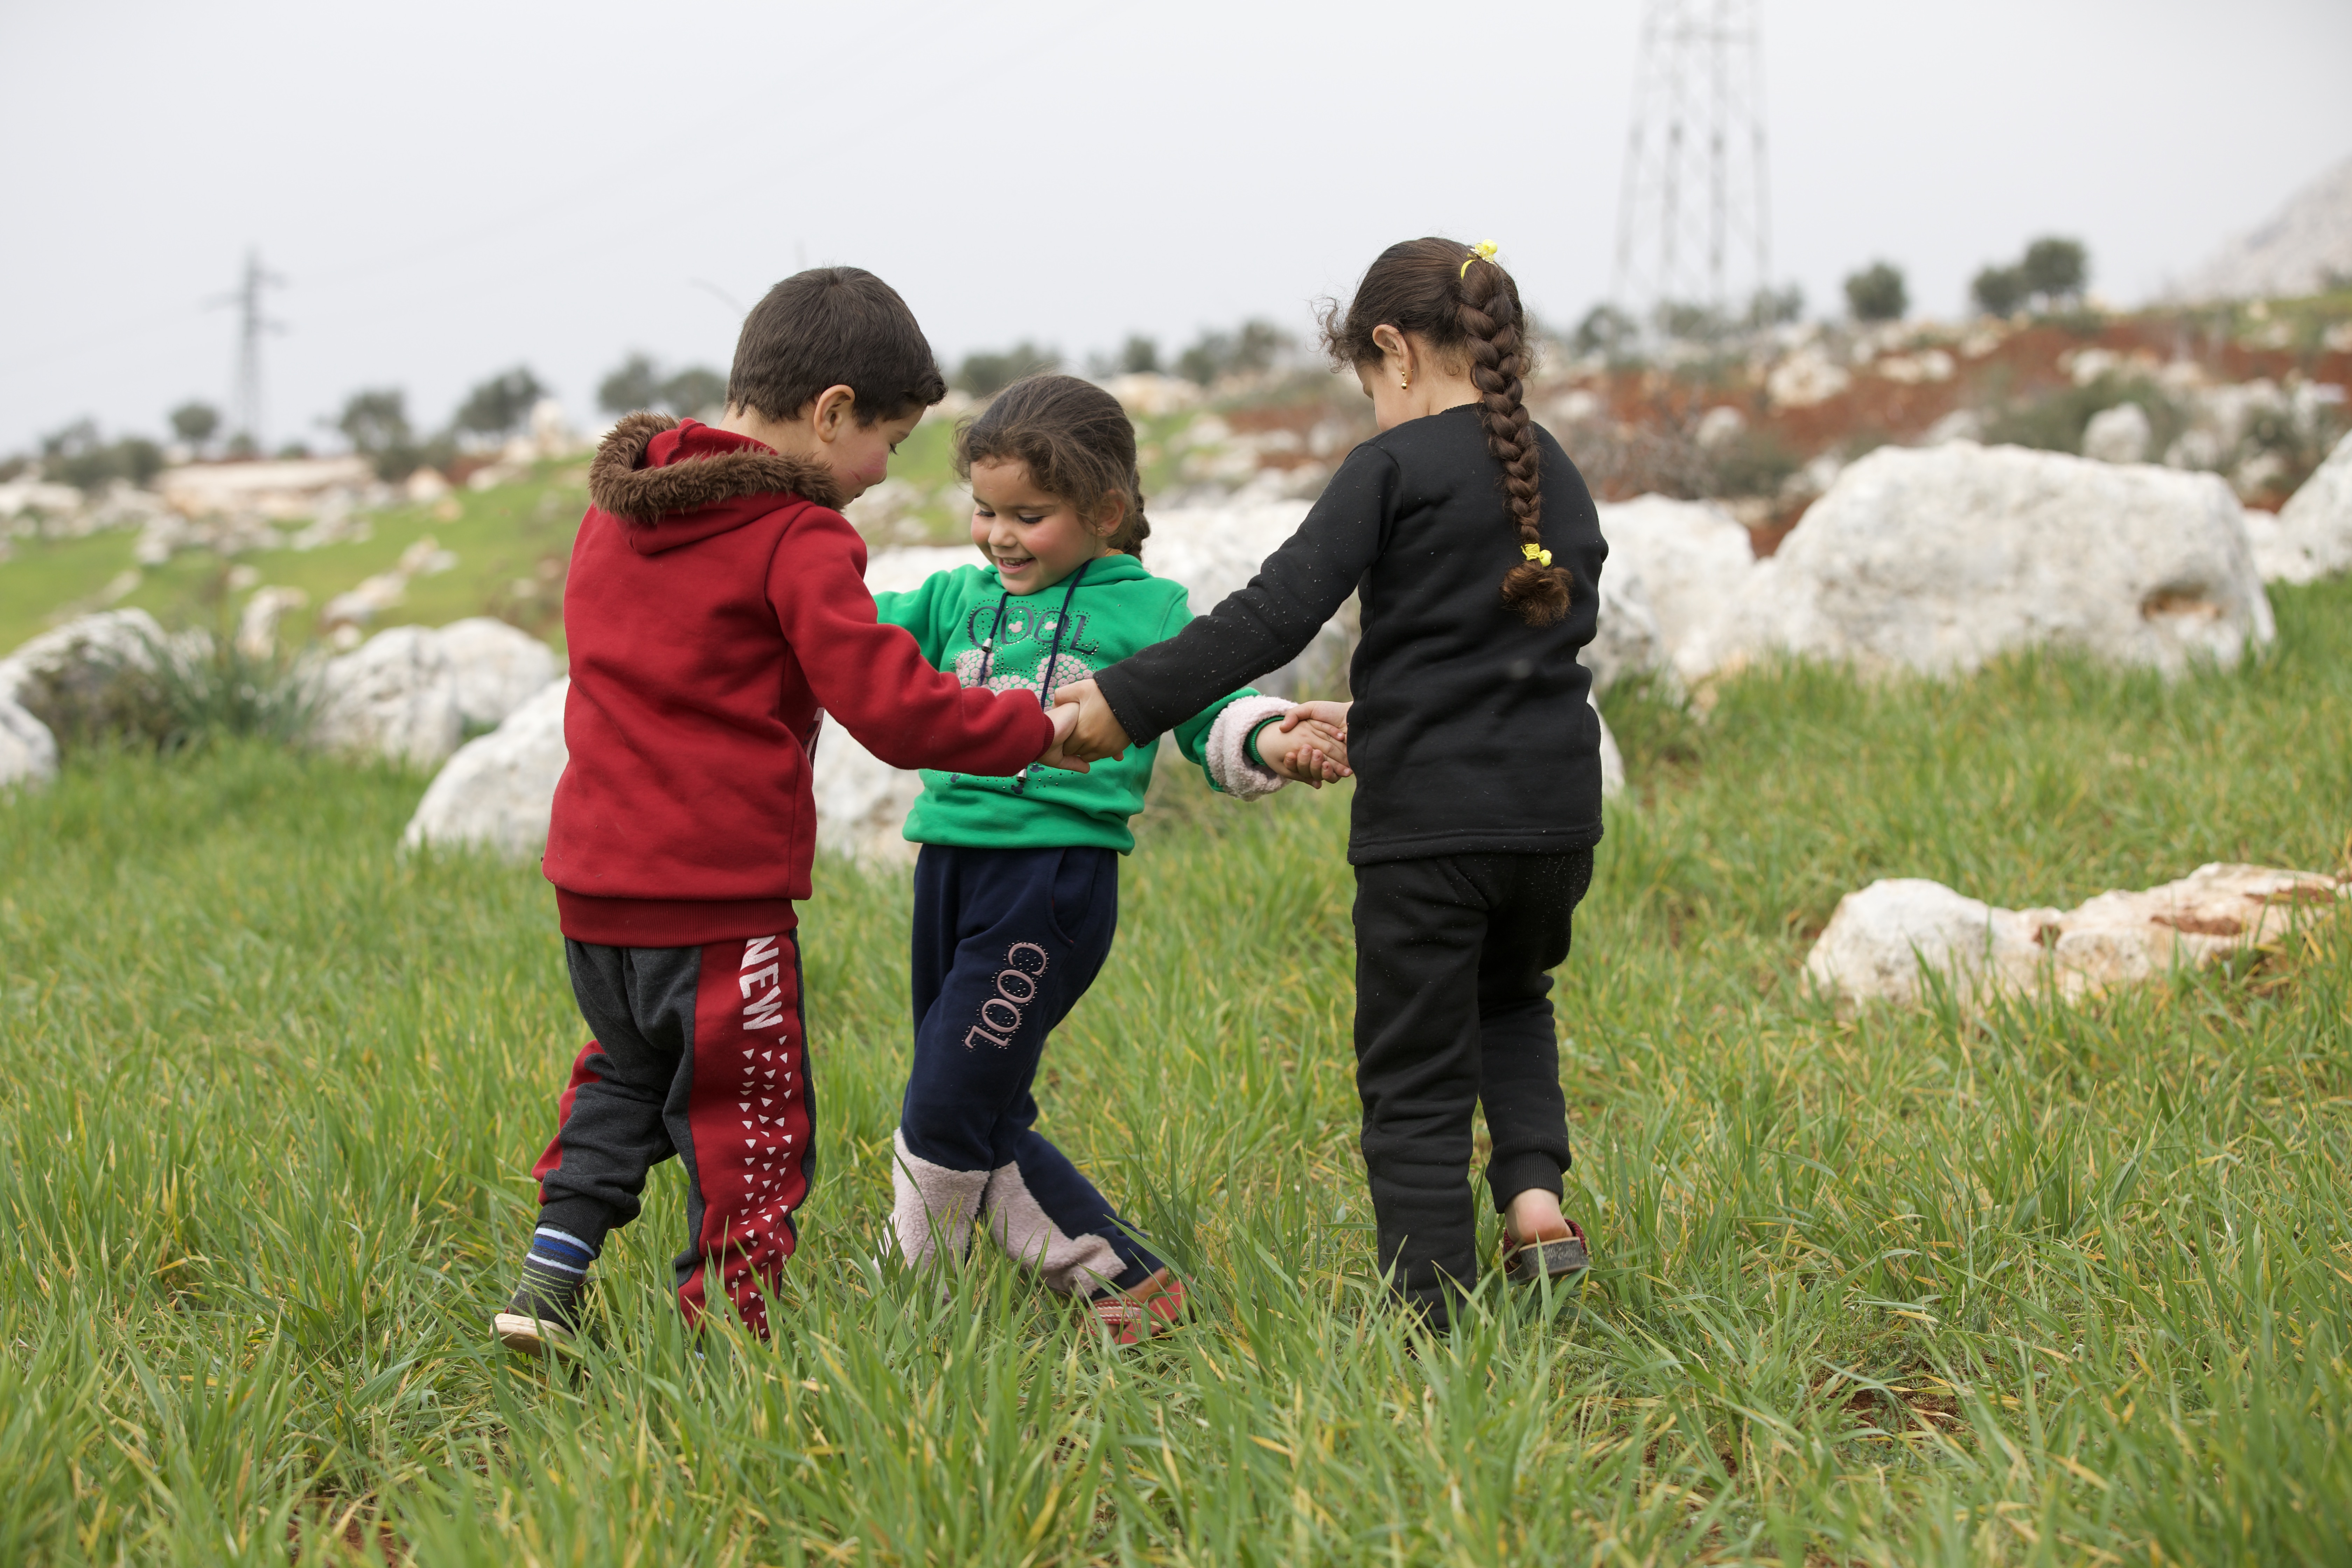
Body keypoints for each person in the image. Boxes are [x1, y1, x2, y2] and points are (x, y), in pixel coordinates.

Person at [494, 268, 1087, 1357]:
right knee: (752, 1126)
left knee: (628, 1071)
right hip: (716, 901)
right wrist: (1035, 730)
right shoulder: (794, 533)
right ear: (831, 413)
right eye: (891, 442)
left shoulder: (615, 515)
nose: (880, 473)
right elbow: (892, 711)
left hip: (593, 889)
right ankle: (733, 1356)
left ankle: (549, 1275)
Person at [1053, 239, 1608, 1331]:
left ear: (1393, 351)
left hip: (1432, 832)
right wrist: (1383, 715)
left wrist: (1124, 701)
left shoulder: (1391, 468)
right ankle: (1536, 1203)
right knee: (1513, 998)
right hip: (1554, 820)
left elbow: (1270, 617)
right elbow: (1510, 653)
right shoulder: (1551, 463)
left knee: (1413, 1071)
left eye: (1365, 382)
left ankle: (1434, 1320)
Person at [872, 373, 1347, 1344]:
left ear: (1107, 512)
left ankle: (916, 1295)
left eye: (1029, 516)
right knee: (980, 1105)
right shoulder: (953, 597)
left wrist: (1274, 745)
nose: (999, 536)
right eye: (983, 510)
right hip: (949, 872)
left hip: (1049, 887)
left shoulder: (1150, 611)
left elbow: (1217, 709)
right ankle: (1125, 1285)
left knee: (946, 1102)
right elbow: (846, 633)